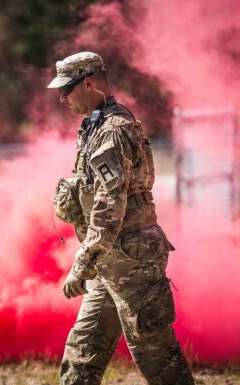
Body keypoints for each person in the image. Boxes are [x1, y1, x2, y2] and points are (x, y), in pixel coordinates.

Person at [49, 51, 195, 385]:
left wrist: (81, 265)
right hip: (110, 261)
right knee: (81, 354)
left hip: (133, 261)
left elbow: (108, 209)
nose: (62, 97)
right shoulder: (94, 127)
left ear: (88, 83)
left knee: (156, 356)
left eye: (67, 89)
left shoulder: (112, 132)